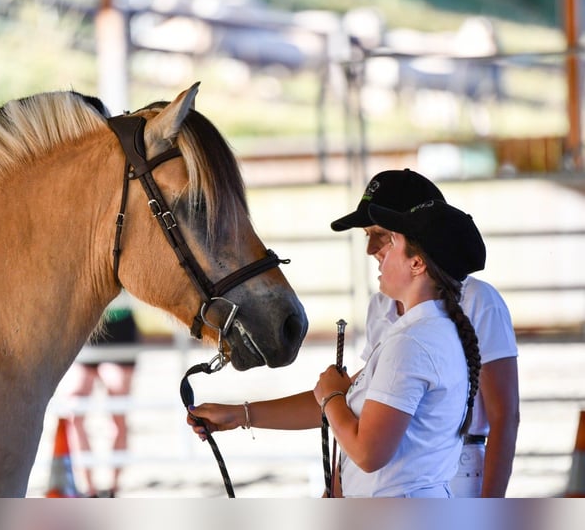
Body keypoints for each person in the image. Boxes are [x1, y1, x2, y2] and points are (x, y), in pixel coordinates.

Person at [188, 198, 485, 497]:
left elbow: (368, 453)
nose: (379, 254)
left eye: (392, 242)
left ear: (417, 263)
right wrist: (240, 414)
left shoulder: (411, 343)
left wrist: (330, 396)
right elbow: (348, 407)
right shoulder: (431, 332)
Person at [330, 169, 519, 497]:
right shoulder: (384, 306)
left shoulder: (476, 302)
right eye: (367, 235)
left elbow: (505, 414)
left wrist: (492, 511)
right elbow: (367, 403)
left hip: (452, 467)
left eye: (384, 235)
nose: (372, 249)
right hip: (395, 474)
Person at [69, 292, 141, 498]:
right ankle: (89, 489)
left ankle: (113, 489)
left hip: (119, 325)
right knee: (75, 411)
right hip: (87, 324)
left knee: (117, 414)